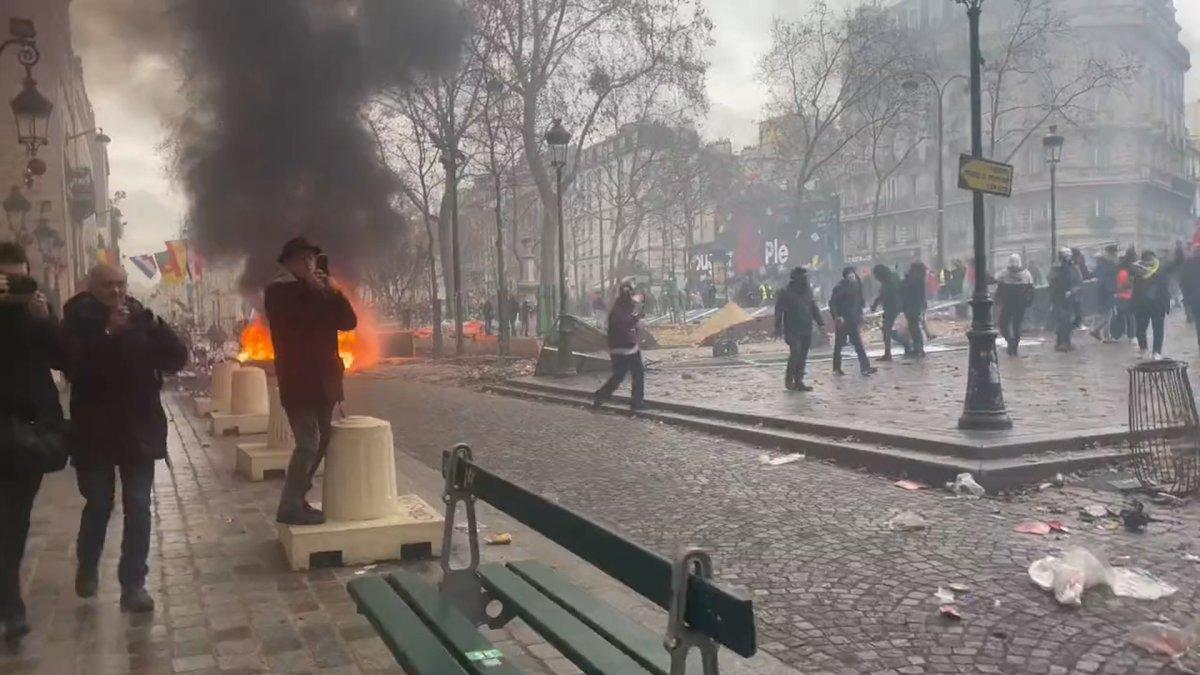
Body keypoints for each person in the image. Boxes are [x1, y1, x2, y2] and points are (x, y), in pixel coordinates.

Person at [63, 263, 188, 613]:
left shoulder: (136, 315)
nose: (116, 292)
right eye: (108, 285)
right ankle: (88, 565)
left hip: (138, 429)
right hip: (95, 431)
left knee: (139, 508)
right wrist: (106, 333)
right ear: (92, 286)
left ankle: (133, 584)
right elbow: (73, 367)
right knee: (100, 505)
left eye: (120, 284)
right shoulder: (77, 317)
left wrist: (156, 325)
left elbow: (177, 359)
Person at [265, 237, 357, 526]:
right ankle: (289, 505)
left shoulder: (322, 291)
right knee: (308, 443)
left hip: (326, 380)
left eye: (312, 259)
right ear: (289, 263)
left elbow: (348, 322)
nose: (308, 264)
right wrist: (314, 290)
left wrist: (334, 292)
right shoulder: (278, 292)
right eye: (302, 259)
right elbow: (300, 319)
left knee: (323, 440)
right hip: (298, 382)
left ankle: (299, 497)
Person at [0, 243, 67, 640]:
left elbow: (63, 358)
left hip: (29, 430)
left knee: (16, 518)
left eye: (21, 277)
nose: (15, 287)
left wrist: (44, 320)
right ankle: (10, 603)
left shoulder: (35, 312)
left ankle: (10, 600)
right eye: (7, 280)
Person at [592, 283, 647, 410]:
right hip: (626, 346)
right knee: (636, 373)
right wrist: (636, 320)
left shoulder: (619, 307)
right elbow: (624, 325)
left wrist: (636, 320)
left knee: (620, 375)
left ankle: (602, 395)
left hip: (620, 347)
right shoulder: (621, 309)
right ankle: (636, 401)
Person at [774, 267, 825, 391]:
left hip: (806, 328)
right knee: (795, 352)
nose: (805, 279)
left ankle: (799, 381)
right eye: (802, 277)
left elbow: (813, 307)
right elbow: (779, 311)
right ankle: (789, 379)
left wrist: (821, 323)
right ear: (796, 278)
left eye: (805, 277)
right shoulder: (786, 293)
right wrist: (778, 327)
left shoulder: (807, 292)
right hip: (792, 329)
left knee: (803, 355)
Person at [828, 267, 876, 376]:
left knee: (857, 344)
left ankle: (865, 367)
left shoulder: (857, 285)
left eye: (853, 273)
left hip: (852, 319)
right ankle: (837, 368)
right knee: (840, 345)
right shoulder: (840, 287)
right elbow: (833, 303)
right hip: (843, 320)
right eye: (850, 274)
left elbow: (859, 302)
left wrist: (860, 314)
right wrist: (837, 317)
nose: (852, 275)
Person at [1131, 247, 1177, 359]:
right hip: (1142, 304)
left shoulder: (1161, 269)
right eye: (1147, 260)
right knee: (1140, 329)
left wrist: (1166, 303)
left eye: (1151, 259)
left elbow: (1165, 287)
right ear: (1143, 260)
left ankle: (1156, 352)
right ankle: (1143, 348)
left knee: (1158, 329)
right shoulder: (1137, 271)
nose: (1149, 262)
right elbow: (1135, 289)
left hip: (1158, 303)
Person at [995, 254, 1035, 356]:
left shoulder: (1025, 274)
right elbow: (999, 288)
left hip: (1017, 304)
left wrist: (1028, 302)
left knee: (1015, 325)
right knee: (1003, 324)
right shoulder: (1004, 274)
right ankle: (1011, 342)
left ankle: (1014, 346)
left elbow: (1031, 290)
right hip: (1009, 303)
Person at [1049, 248, 1082, 351]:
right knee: (1063, 320)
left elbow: (1078, 280)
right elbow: (1052, 281)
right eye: (1065, 256)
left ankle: (1066, 341)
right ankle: (1061, 343)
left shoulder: (1073, 267)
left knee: (1074, 320)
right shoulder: (1056, 268)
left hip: (1072, 298)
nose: (1068, 258)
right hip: (1059, 298)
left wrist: (1073, 290)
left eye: (1069, 256)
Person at [870, 264, 902, 362]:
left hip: (892, 307)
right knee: (886, 330)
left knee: (886, 330)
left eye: (876, 275)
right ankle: (904, 345)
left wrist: (876, 304)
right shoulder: (889, 280)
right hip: (891, 307)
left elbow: (885, 294)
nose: (876, 278)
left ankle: (903, 345)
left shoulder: (890, 282)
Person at [1090, 245, 1120, 342]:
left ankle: (1106, 336)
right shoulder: (1108, 265)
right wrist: (1113, 290)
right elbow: (1107, 280)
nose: (1115, 255)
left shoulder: (1103, 264)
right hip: (1107, 292)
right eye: (1114, 253)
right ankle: (1096, 330)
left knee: (1107, 314)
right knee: (1107, 315)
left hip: (1104, 291)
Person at [901, 262, 929, 357]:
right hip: (913, 306)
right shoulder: (917, 280)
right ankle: (918, 348)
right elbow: (921, 295)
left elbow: (919, 294)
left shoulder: (913, 280)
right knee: (914, 327)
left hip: (911, 306)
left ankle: (918, 348)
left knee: (914, 328)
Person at [1113, 247, 1137, 342]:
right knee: (1130, 316)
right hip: (1127, 296)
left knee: (1121, 315)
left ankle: (1119, 334)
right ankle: (1131, 336)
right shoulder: (1130, 268)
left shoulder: (1119, 266)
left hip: (1119, 296)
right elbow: (1128, 283)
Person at [1179, 245, 1200, 351]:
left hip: (1195, 299)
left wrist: (1187, 297)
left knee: (1198, 321)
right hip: (1195, 298)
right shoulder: (1187, 264)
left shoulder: (1187, 264)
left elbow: (1182, 282)